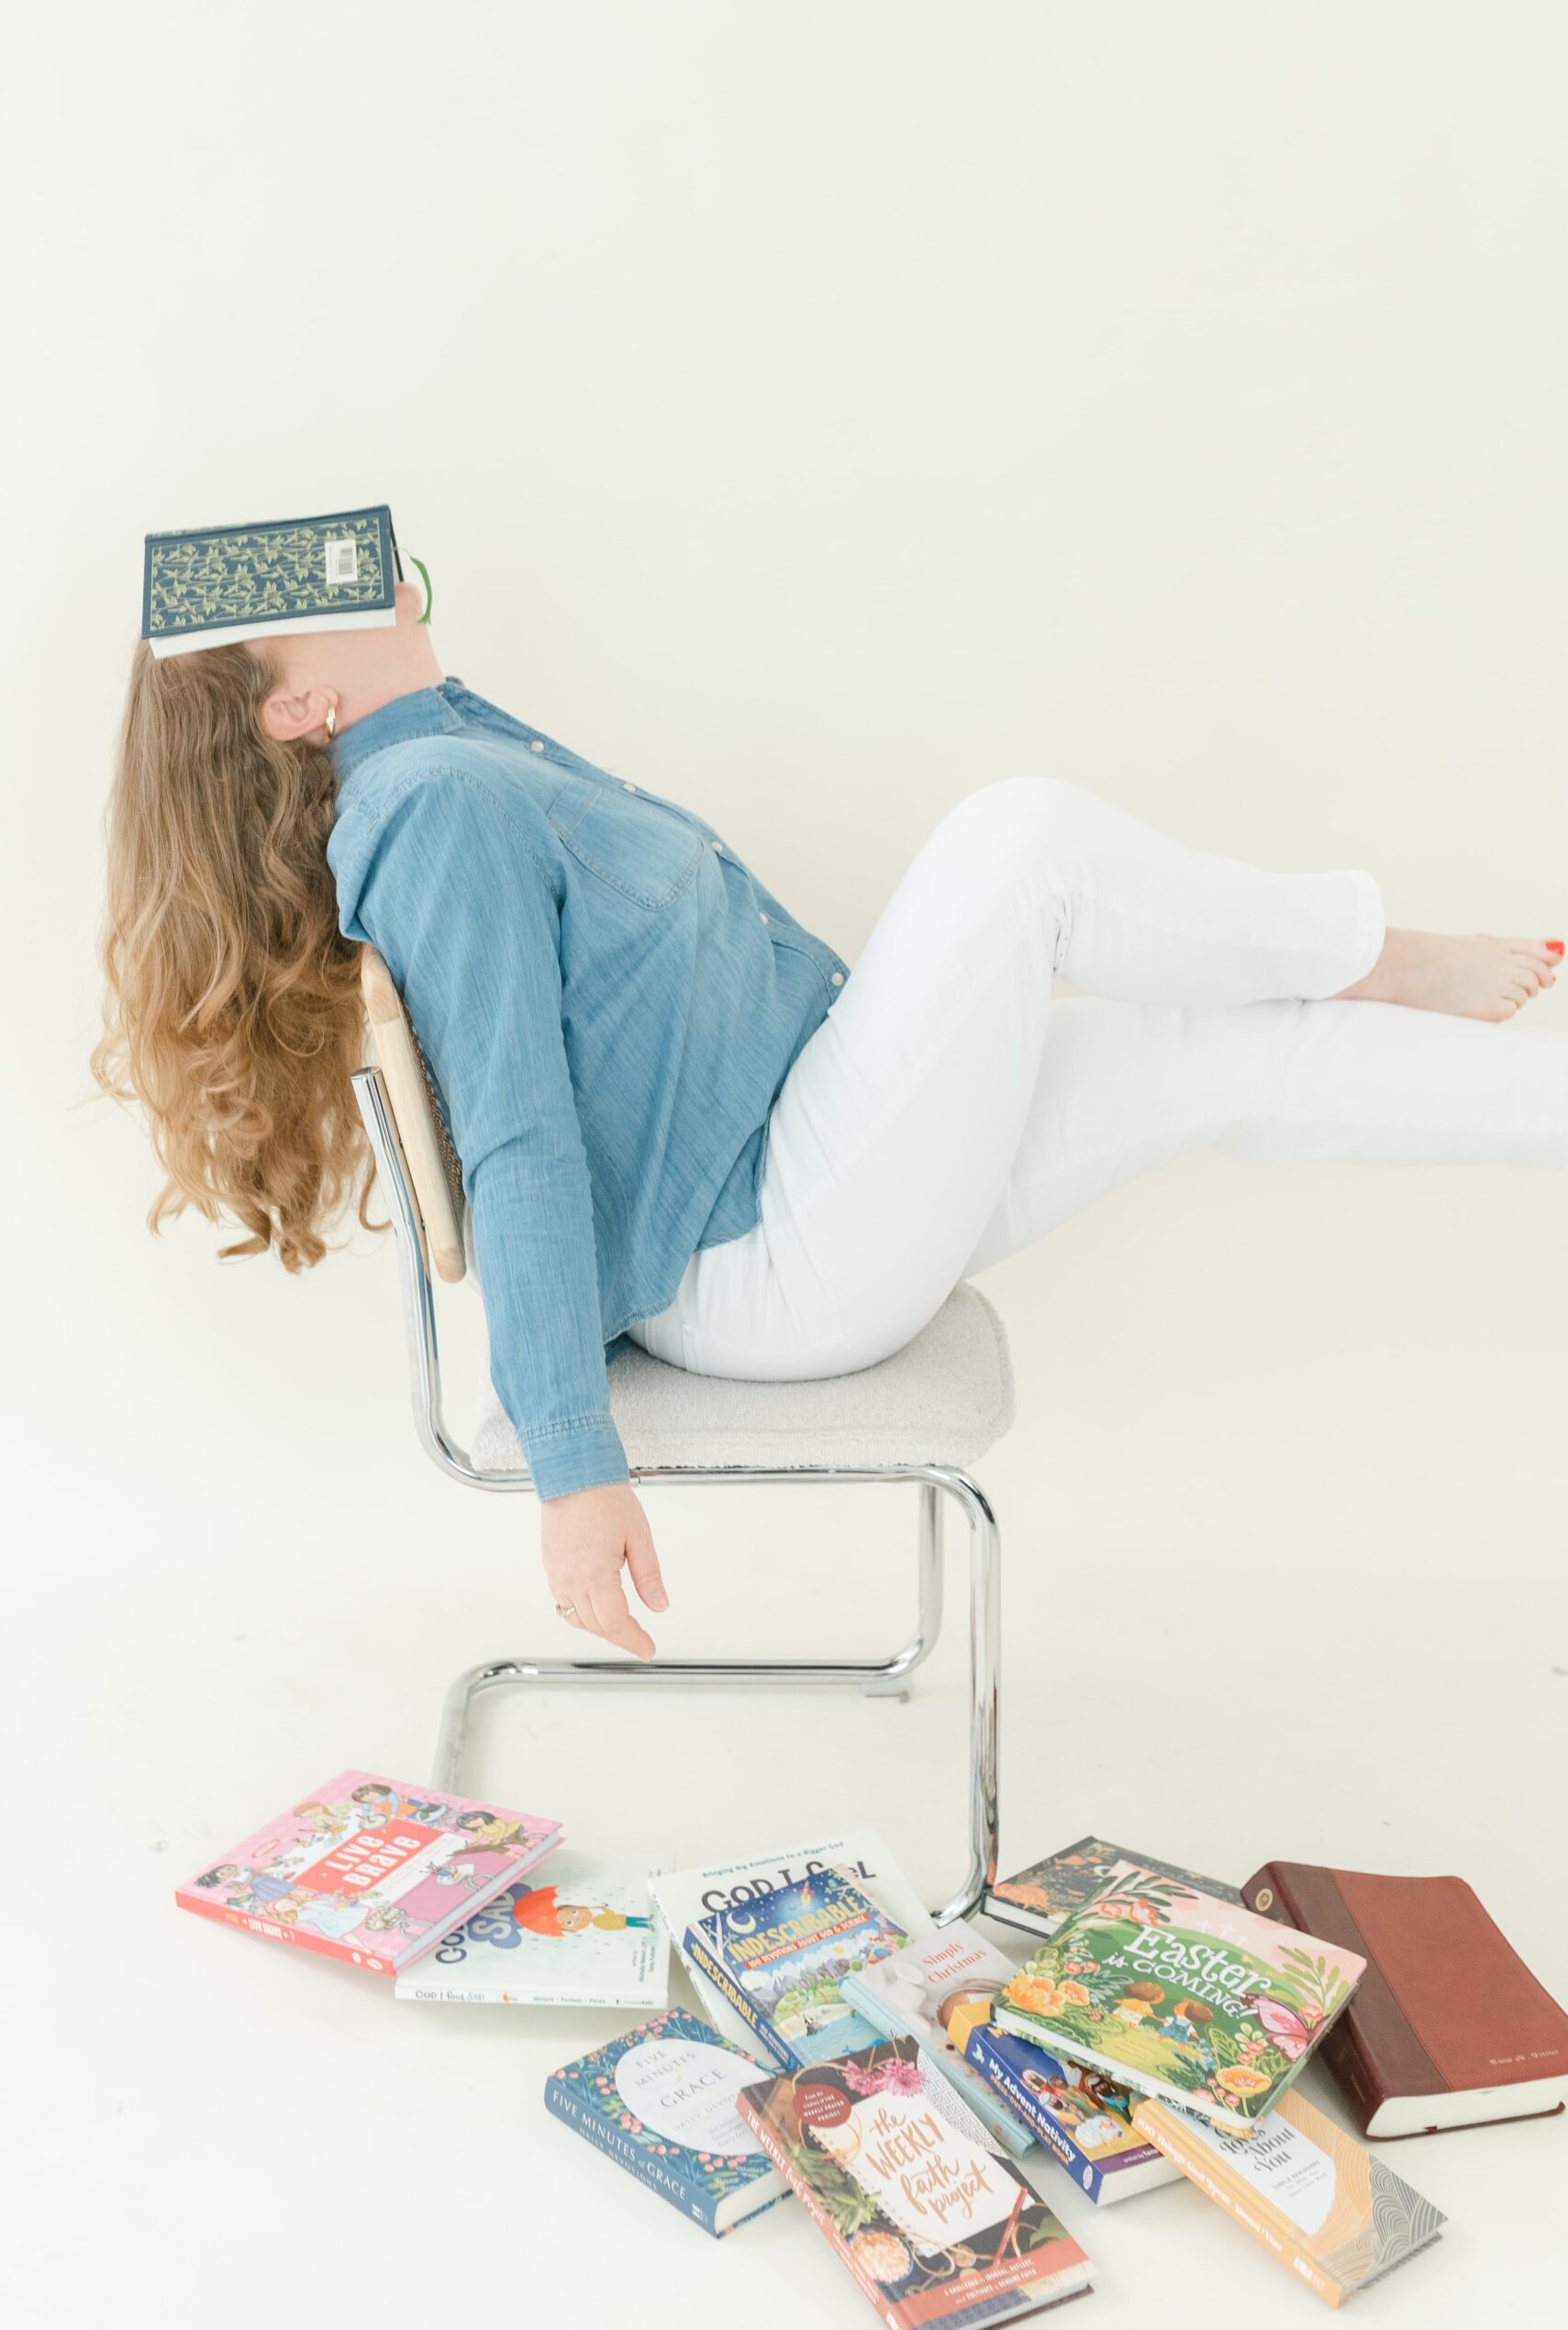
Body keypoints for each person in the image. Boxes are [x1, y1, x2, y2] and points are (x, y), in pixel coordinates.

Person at [94, 581, 1567, 1660]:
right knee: (1021, 841)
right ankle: (1362, 947)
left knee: (1211, 1053)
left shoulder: (448, 757)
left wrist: (385, 622)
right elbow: (518, 1135)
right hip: (774, 1247)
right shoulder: (428, 810)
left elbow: (411, 701)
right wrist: (570, 1467)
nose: (335, 565)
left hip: (822, 1161)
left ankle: (1448, 1039)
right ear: (297, 710)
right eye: (288, 597)